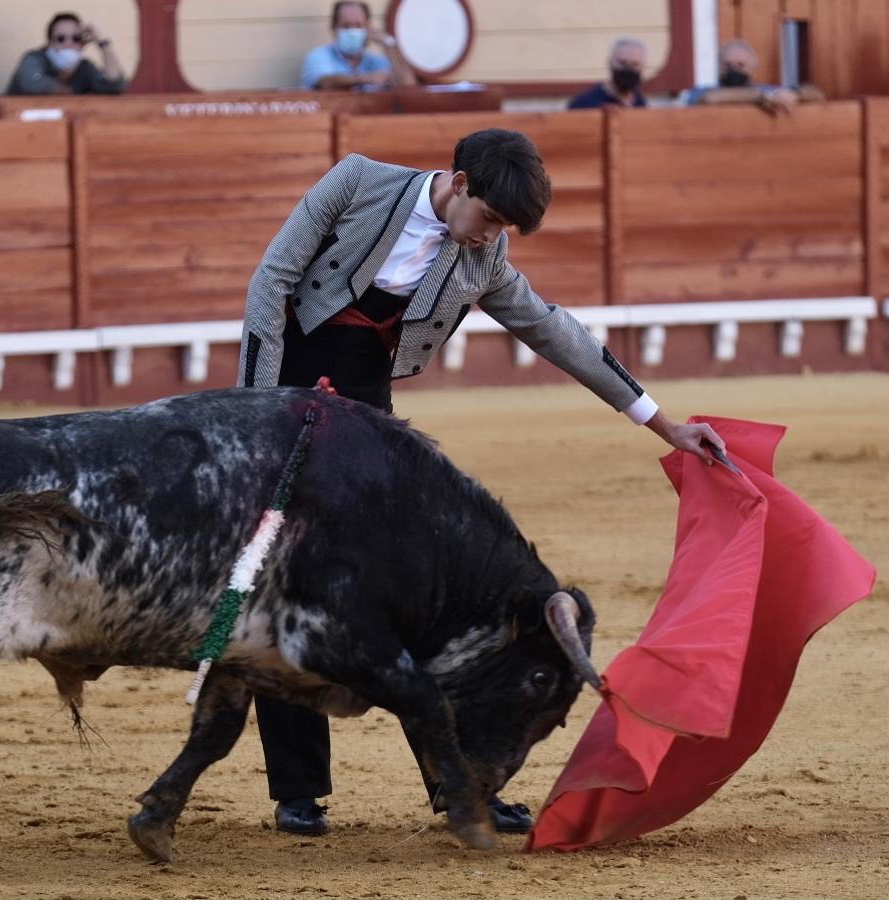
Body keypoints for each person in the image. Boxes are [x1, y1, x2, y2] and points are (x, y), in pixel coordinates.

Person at [237, 128, 725, 838]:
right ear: (459, 183)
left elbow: (555, 332)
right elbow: (271, 283)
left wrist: (662, 424)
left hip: (368, 425)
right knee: (285, 588)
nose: (492, 238)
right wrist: (257, 419)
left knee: (407, 601)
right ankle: (298, 792)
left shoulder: (483, 255)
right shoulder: (357, 182)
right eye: (491, 218)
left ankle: (455, 785)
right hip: (278, 398)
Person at [683, 39, 824, 114]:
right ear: (719, 67)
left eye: (740, 65)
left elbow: (817, 94)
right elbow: (710, 98)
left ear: (751, 69)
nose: (733, 70)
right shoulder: (701, 91)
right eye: (727, 65)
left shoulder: (768, 90)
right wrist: (764, 97)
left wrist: (793, 94)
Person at [301, 1, 415, 92]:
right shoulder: (319, 56)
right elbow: (326, 82)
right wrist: (365, 79)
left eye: (358, 25)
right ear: (333, 28)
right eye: (345, 26)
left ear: (368, 28)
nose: (352, 30)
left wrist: (388, 43)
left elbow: (409, 86)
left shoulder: (377, 61)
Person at [6, 12, 126, 96]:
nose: (68, 44)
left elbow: (115, 85)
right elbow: (32, 84)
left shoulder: (84, 67)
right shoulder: (34, 58)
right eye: (61, 39)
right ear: (49, 43)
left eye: (76, 38)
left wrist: (102, 43)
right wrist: (68, 86)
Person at [567, 37, 648, 109]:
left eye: (635, 65)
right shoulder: (583, 104)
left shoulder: (641, 104)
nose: (628, 69)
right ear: (609, 63)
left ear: (643, 67)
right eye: (622, 63)